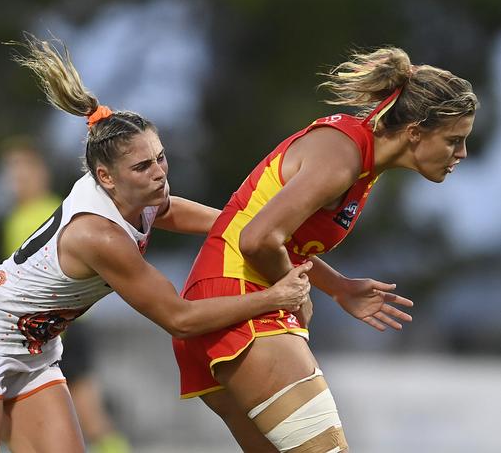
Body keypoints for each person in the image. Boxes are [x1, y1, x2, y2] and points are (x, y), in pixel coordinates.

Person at [0, 34, 314, 453]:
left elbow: (166, 209)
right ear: (106, 177)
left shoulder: (137, 195)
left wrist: (242, 226)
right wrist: (274, 297)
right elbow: (179, 318)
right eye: (143, 166)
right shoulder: (99, 235)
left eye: (160, 157)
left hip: (35, 347)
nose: (159, 173)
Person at [172, 46, 478, 452]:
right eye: (454, 140)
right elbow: (258, 240)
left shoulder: (358, 158)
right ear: (415, 131)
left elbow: (273, 235)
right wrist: (295, 291)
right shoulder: (343, 156)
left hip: (221, 302)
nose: (462, 153)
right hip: (242, 305)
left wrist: (338, 286)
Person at [1, 138, 131, 453]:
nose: (16, 182)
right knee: (13, 418)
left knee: (90, 417)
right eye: (11, 175)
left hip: (65, 326)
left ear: (40, 173)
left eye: (22, 173)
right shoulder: (13, 219)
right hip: (35, 331)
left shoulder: (56, 210)